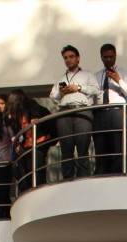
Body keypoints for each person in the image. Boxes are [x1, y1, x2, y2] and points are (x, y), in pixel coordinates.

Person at [48, 45, 98, 180]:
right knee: (66, 149)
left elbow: (96, 90)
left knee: (83, 148)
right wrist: (61, 92)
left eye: (71, 57)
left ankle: (84, 178)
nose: (68, 60)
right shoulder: (60, 78)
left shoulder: (88, 74)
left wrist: (79, 88)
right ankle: (68, 178)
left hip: (82, 110)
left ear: (78, 58)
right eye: (65, 58)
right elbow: (53, 96)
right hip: (64, 112)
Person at [93, 43, 127, 175]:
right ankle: (101, 174)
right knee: (101, 145)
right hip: (100, 112)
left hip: (116, 111)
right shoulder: (96, 75)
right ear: (101, 58)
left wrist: (118, 80)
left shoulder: (123, 72)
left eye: (111, 57)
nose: (108, 60)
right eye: (105, 57)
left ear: (115, 56)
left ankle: (118, 173)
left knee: (118, 145)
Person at [8, 89, 54, 191]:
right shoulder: (17, 114)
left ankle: (39, 191)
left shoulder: (30, 105)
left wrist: (34, 119)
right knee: (25, 170)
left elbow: (35, 117)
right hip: (27, 144)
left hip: (39, 141)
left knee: (37, 170)